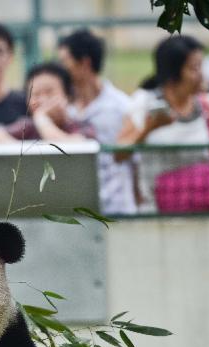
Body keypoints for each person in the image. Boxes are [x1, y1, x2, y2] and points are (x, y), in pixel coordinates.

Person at [116, 36, 209, 214]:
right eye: (194, 68)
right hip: (156, 214)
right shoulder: (143, 103)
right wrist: (149, 129)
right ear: (172, 74)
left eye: (200, 67)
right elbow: (119, 154)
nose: (201, 75)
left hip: (208, 211)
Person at [58, 28, 137, 215]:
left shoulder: (121, 107)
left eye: (65, 61)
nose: (61, 68)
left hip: (117, 208)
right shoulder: (65, 108)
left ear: (84, 63)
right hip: (78, 209)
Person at [0, 63, 94, 143]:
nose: (42, 100)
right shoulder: (28, 127)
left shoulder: (83, 126)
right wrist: (24, 152)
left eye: (49, 92)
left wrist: (41, 118)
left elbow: (71, 150)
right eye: (36, 94)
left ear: (68, 95)